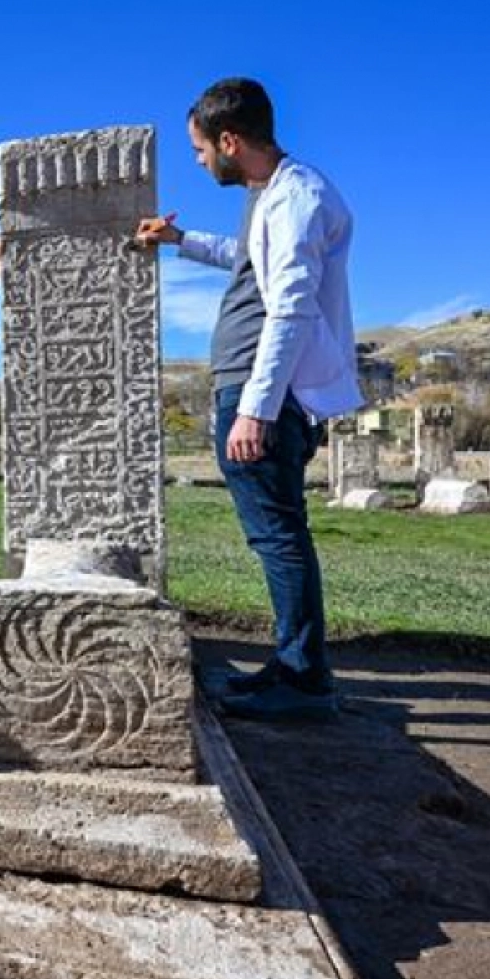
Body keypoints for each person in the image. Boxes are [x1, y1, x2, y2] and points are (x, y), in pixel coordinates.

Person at [135, 77, 363, 722]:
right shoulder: (273, 197)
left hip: (264, 395)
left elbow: (289, 307)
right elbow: (248, 260)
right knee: (276, 535)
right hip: (253, 389)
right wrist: (182, 242)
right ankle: (292, 668)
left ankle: (305, 684)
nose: (201, 160)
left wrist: (255, 410)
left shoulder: (296, 197)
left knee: (279, 538)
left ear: (230, 140)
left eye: (202, 149)